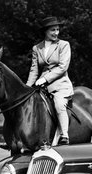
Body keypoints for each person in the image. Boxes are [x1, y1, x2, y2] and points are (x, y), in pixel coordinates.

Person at [26, 16, 74, 145]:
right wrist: (27, 87)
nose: (56, 33)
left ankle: (64, 135)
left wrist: (45, 79)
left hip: (60, 84)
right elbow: (34, 70)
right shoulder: (37, 48)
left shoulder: (64, 45)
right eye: (53, 30)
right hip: (42, 87)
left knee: (59, 104)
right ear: (45, 31)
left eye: (57, 29)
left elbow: (63, 67)